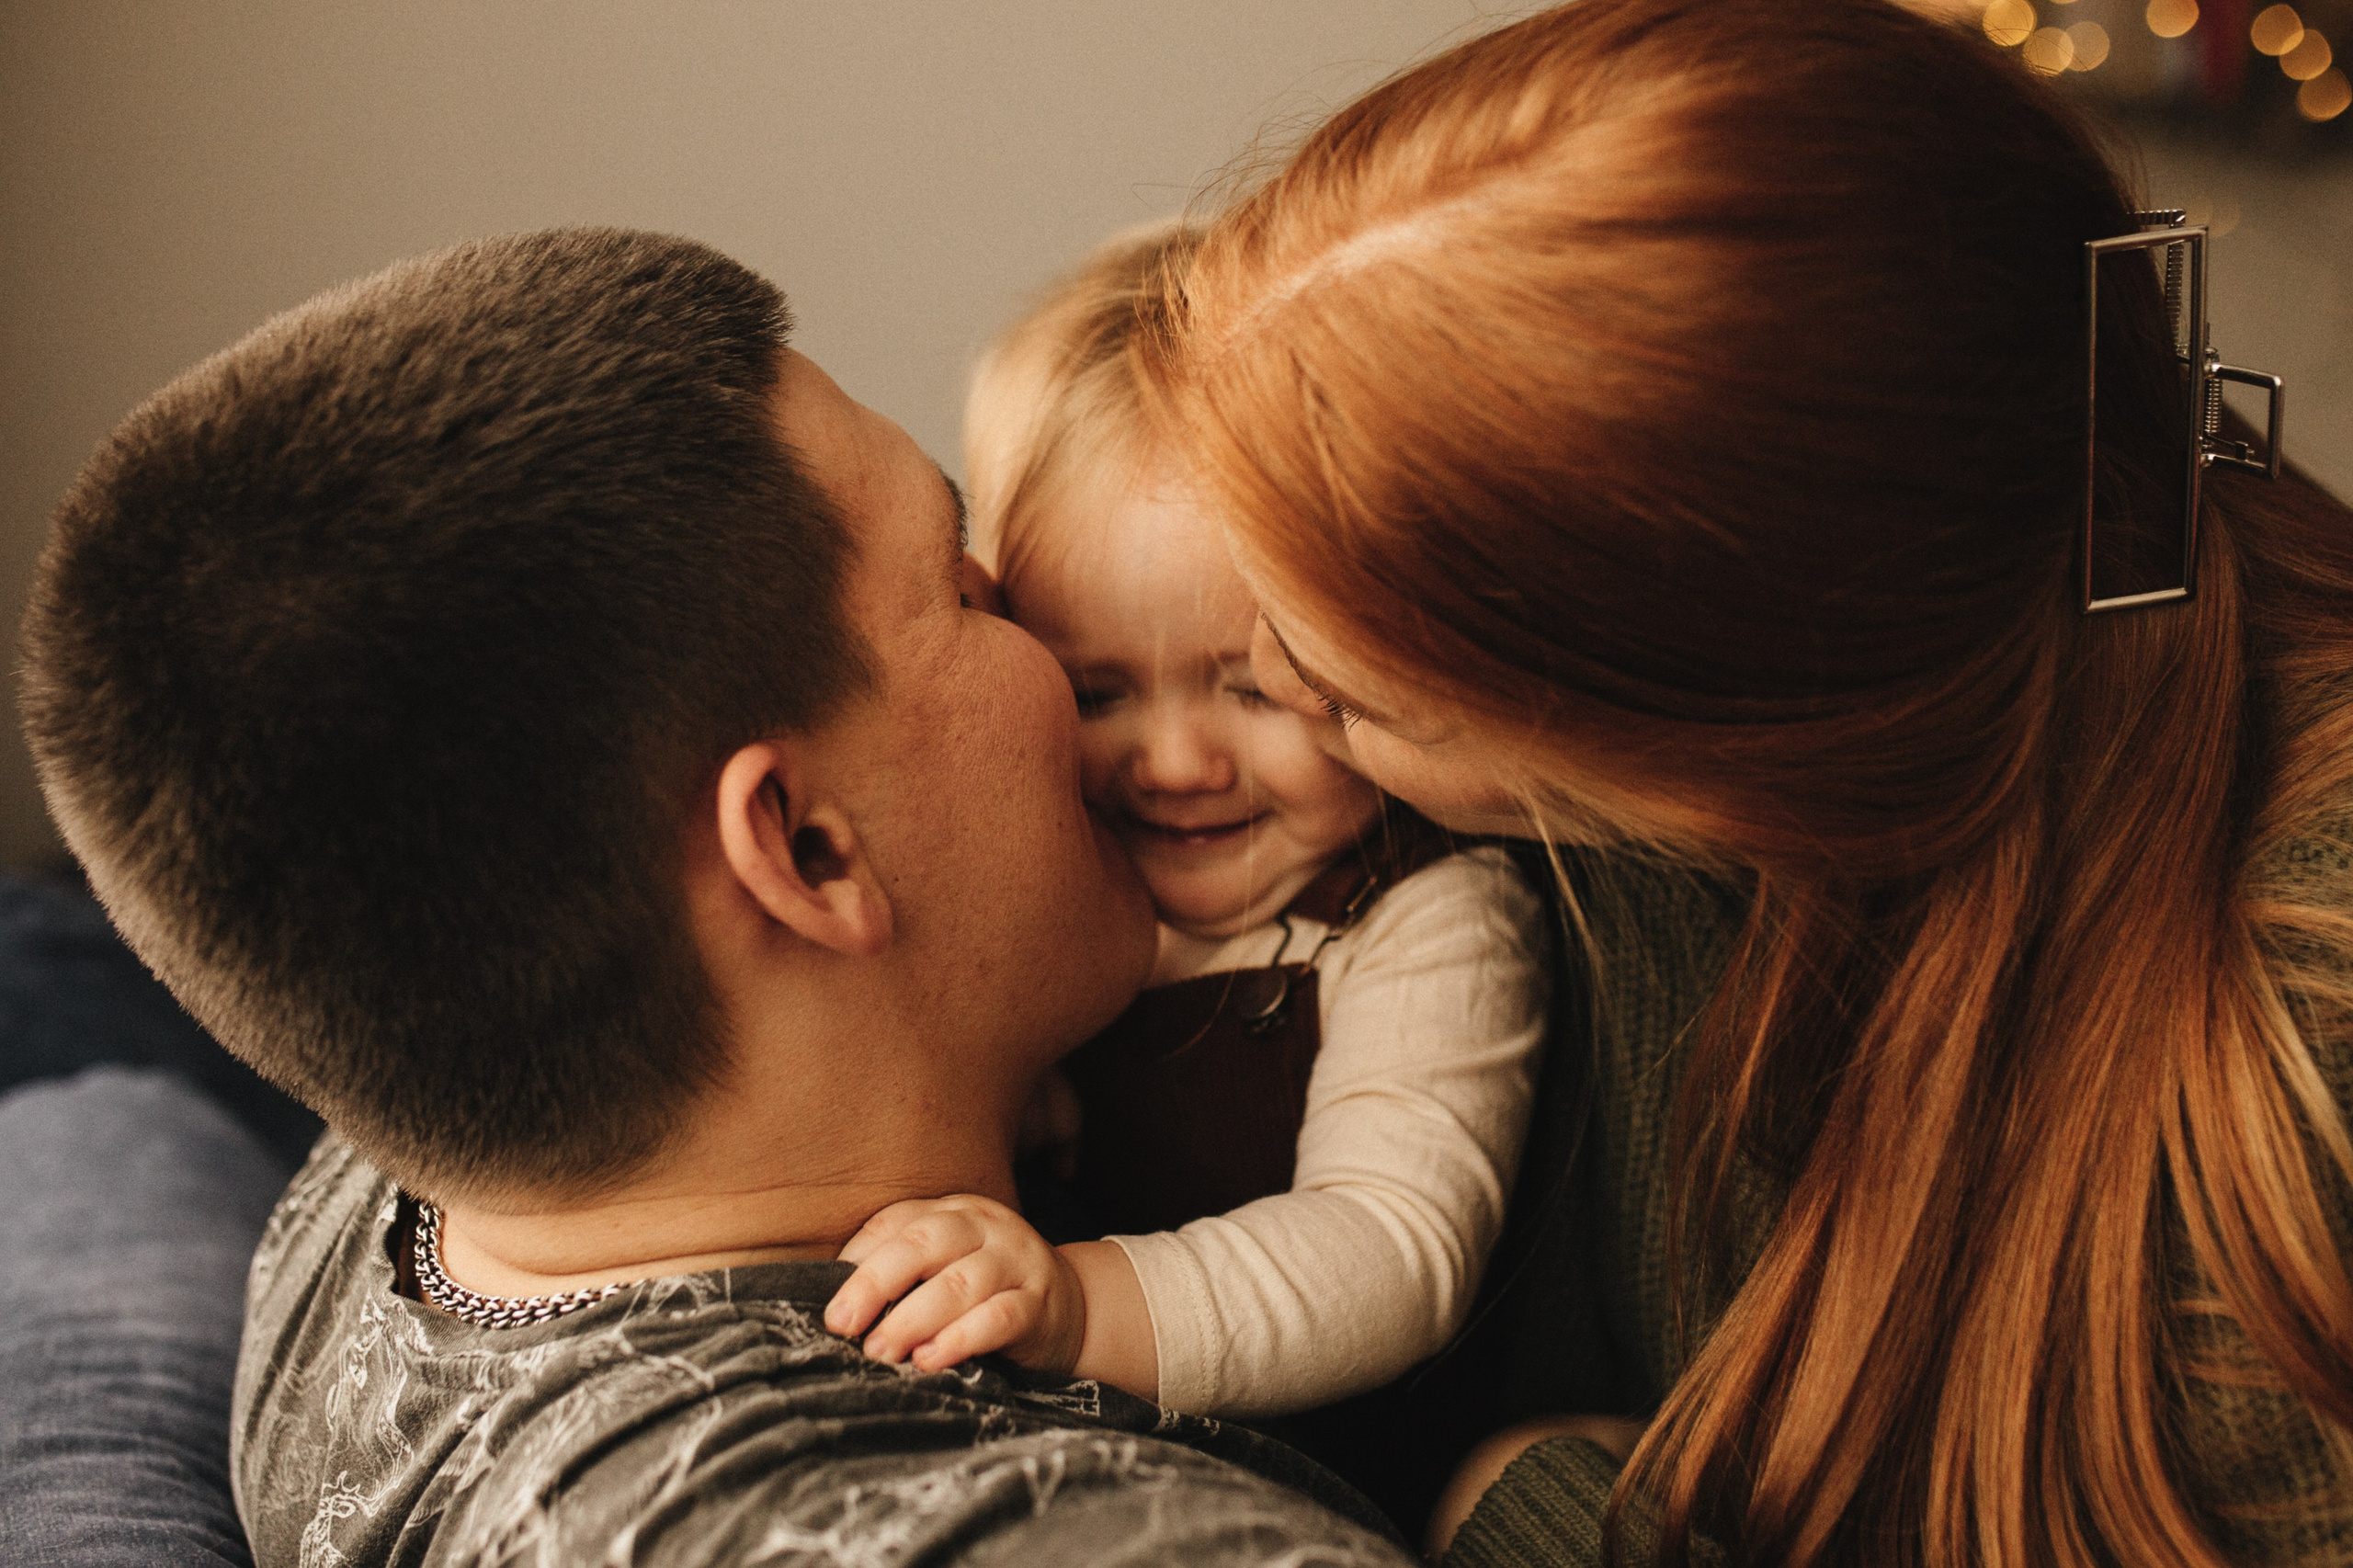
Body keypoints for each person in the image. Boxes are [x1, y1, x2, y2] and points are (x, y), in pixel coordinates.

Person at [1139, 1, 2353, 1564]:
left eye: (1350, 692)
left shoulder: (2292, 1084)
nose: (1271, 696)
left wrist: (1533, 1510)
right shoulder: (1648, 815)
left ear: (1739, 744)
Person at [16, 226, 1415, 1568]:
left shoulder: (417, 1136)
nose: (1042, 611)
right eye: (960, 582)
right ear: (805, 850)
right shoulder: (941, 1523)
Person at [819, 222, 1552, 1422]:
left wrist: (1072, 1301)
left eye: (1254, 686)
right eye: (1098, 690)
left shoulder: (1425, 918)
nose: (1173, 763)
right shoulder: (1045, 879)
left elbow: (1394, 1249)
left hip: (1341, 1470)